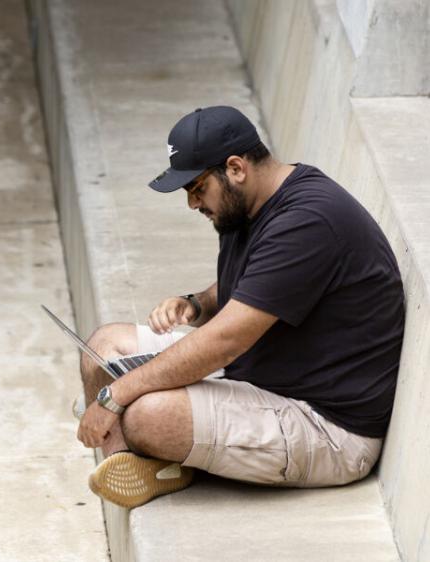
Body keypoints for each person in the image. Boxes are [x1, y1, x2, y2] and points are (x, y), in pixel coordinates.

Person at [76, 105, 405, 509]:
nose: (192, 204)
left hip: (326, 427)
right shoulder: (247, 205)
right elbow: (257, 284)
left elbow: (224, 342)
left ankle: (155, 447)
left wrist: (114, 397)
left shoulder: (308, 222)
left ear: (235, 168)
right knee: (103, 346)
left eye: (197, 188)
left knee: (146, 411)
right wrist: (195, 304)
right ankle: (151, 457)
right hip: (262, 384)